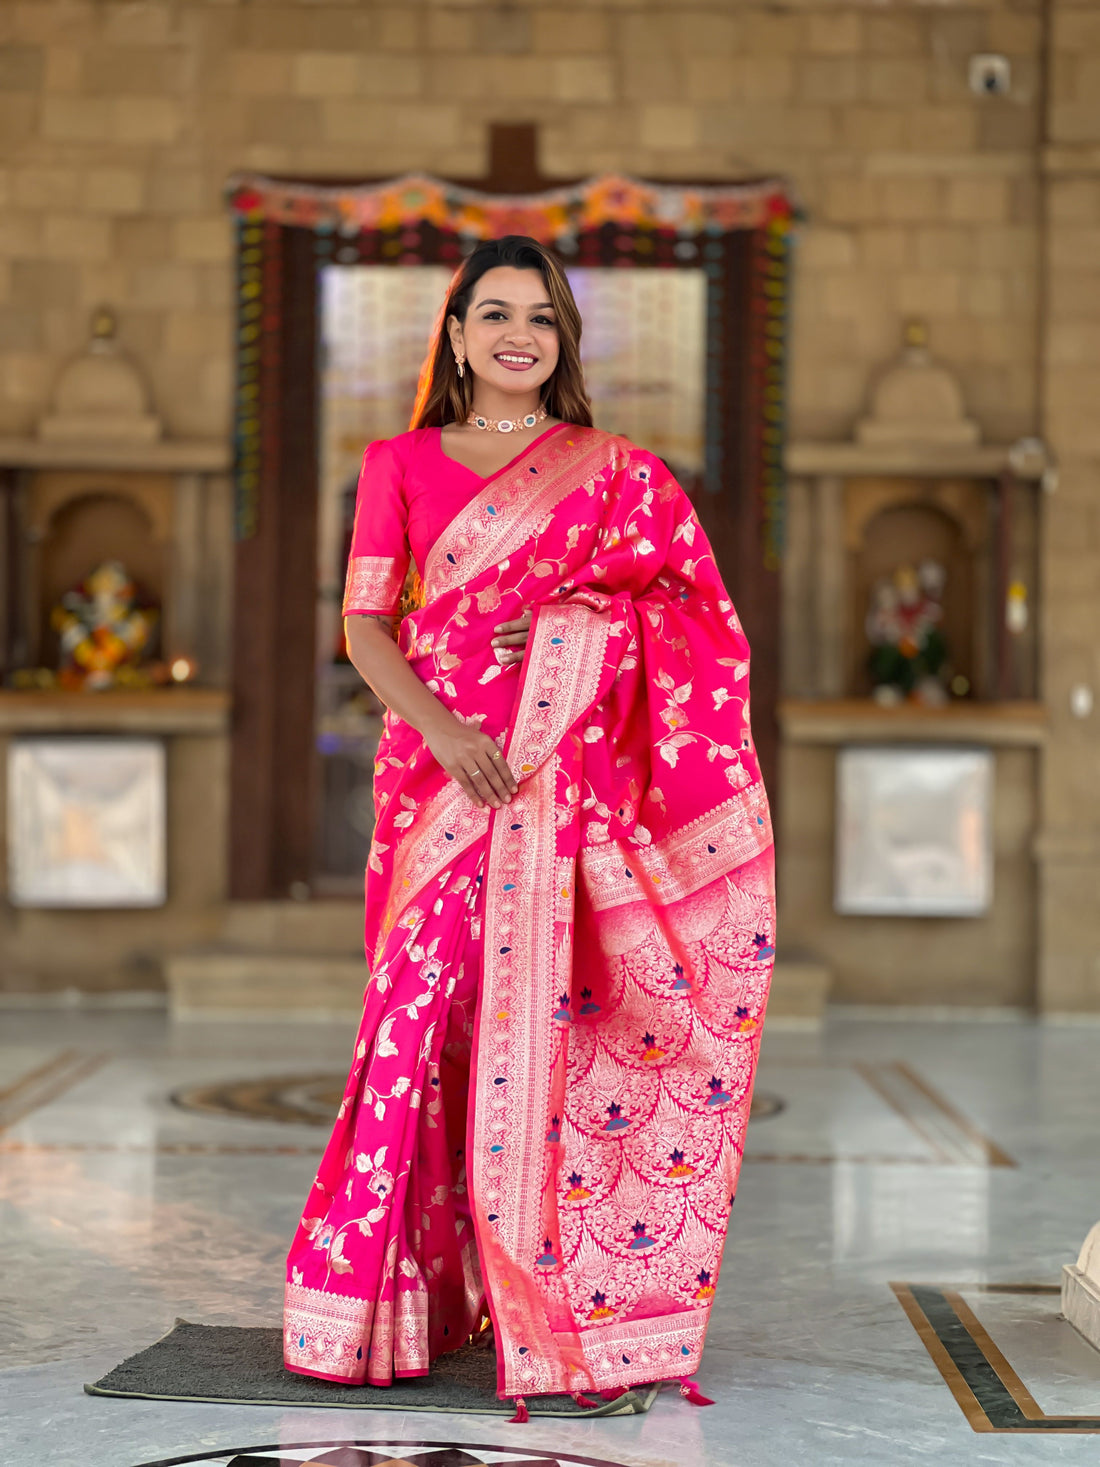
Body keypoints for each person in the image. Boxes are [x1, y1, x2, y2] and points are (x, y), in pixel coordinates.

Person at [284, 235, 776, 1413]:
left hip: (567, 781)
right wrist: (448, 735)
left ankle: (568, 1321)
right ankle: (381, 1311)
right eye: (493, 312)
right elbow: (365, 628)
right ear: (452, 335)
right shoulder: (396, 462)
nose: (518, 334)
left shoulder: (616, 471)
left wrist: (582, 630)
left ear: (563, 341)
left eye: (541, 318)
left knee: (553, 1034)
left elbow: (693, 616)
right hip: (437, 779)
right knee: (414, 1022)